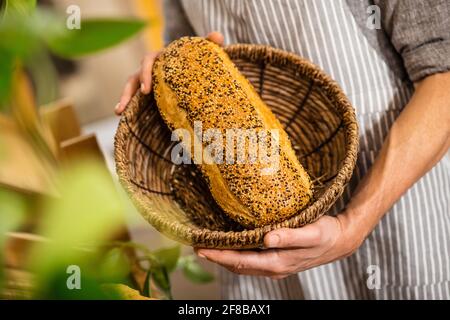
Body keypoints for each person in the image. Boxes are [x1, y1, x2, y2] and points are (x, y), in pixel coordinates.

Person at [116, 0, 450, 299]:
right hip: (254, 240)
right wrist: (166, 68)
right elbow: (191, 47)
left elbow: (443, 77)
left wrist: (354, 224)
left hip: (394, 201)